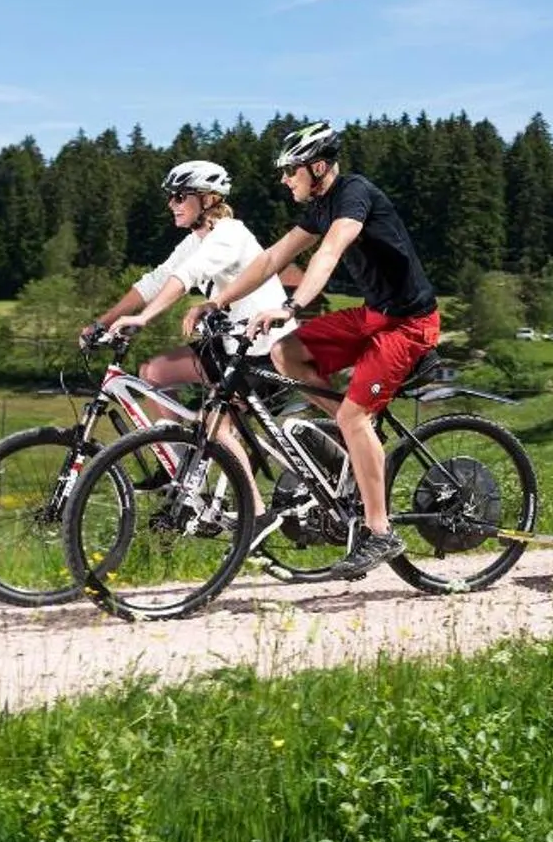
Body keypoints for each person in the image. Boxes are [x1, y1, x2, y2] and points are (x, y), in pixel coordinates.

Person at [209, 121, 441, 578]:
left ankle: (380, 532)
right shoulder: (320, 204)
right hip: (374, 315)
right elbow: (273, 258)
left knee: (353, 415)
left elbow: (329, 253)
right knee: (286, 352)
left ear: (317, 167)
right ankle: (352, 433)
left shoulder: (354, 195)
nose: (283, 180)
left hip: (410, 323)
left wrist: (291, 304)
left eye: (290, 171)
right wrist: (219, 299)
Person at [84, 160, 293, 465]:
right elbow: (156, 281)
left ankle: (254, 512)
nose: (172, 204)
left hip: (266, 351)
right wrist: (101, 323)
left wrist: (143, 318)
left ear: (208, 199)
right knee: (153, 373)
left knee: (215, 429)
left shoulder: (231, 233)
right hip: (229, 348)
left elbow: (187, 277)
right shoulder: (194, 241)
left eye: (180, 196)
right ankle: (180, 468)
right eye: (171, 197)